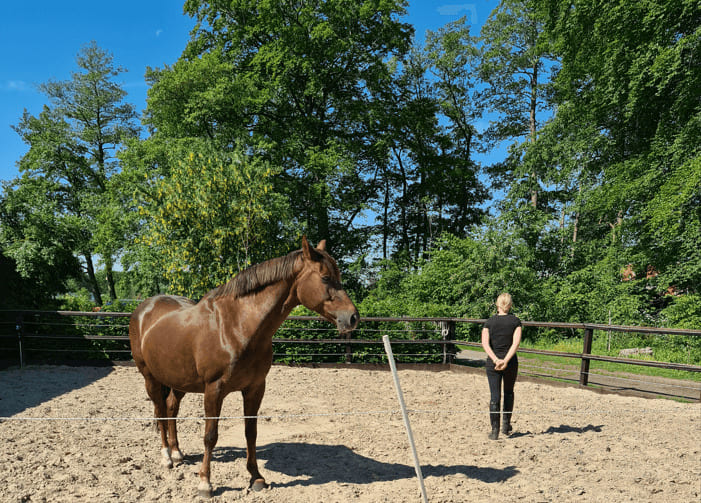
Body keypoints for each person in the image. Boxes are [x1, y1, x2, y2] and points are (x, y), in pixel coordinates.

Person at [481, 293, 522, 440]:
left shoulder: (489, 322)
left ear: (497, 305)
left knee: (495, 396)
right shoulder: (516, 322)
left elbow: (485, 343)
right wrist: (505, 360)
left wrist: (496, 359)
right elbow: (515, 343)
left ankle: (494, 431)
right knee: (509, 392)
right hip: (510, 362)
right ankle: (506, 425)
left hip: (493, 364)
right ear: (510, 305)